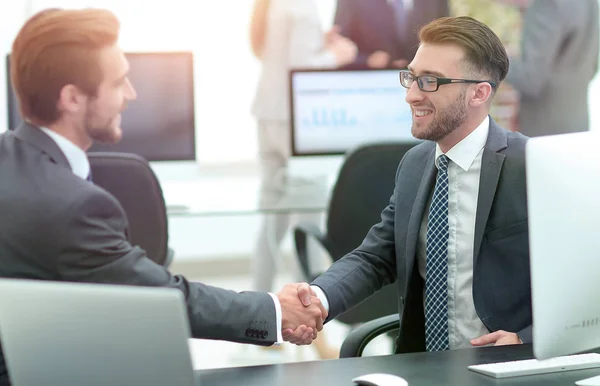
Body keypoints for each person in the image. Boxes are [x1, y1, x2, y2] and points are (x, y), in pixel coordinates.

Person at [0, 8, 325, 385]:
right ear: (72, 98)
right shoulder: (74, 206)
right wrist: (275, 310)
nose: (131, 94)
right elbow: (163, 297)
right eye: (119, 82)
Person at [282, 15, 533, 352]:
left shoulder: (530, 165)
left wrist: (528, 339)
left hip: (503, 366)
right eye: (411, 78)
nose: (411, 96)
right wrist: (318, 298)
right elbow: (377, 257)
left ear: (479, 93)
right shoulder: (415, 164)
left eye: (429, 81)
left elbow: (586, 273)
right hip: (425, 363)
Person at [249, 0, 356, 359]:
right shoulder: (303, 7)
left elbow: (279, 53)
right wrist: (338, 54)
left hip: (267, 114)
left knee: (272, 220)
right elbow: (304, 66)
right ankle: (308, 324)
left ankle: (254, 323)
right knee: (306, 225)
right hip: (296, 121)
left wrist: (318, 42)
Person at [503, 0, 599, 136]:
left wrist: (489, 54)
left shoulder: (548, 4)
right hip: (578, 128)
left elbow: (529, 78)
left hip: (543, 131)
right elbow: (592, 67)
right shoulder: (589, 2)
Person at [333, 0, 448, 69]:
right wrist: (367, 60)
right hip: (373, 83)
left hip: (425, 82)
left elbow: (446, 39)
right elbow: (339, 45)